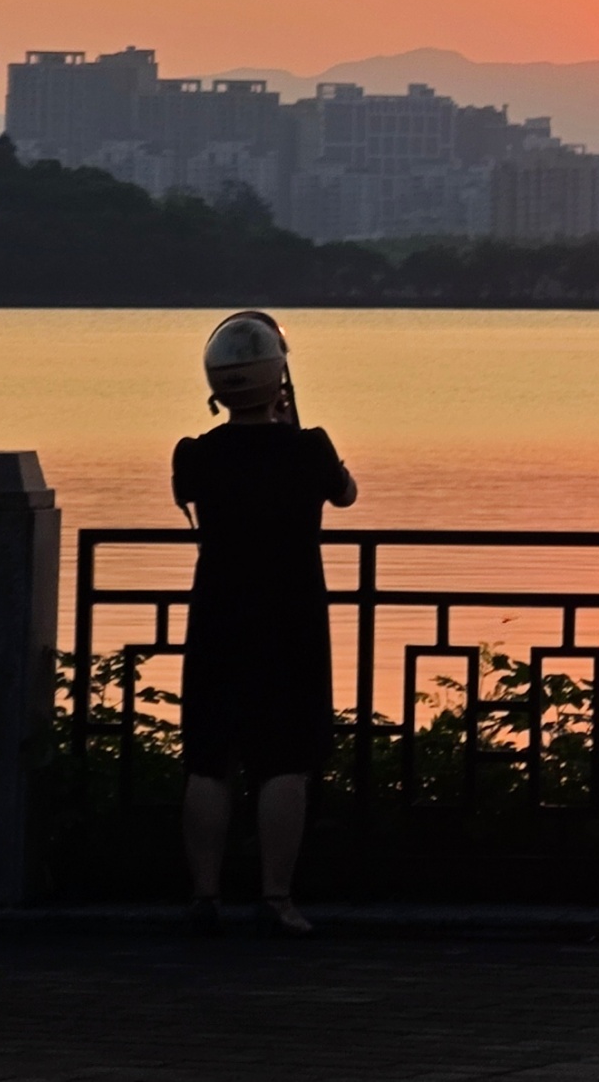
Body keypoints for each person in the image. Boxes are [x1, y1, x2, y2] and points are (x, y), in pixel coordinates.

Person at [173, 308, 357, 934]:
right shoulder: (309, 448)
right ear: (278, 378)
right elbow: (345, 493)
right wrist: (294, 426)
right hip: (291, 615)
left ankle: (204, 896)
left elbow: (192, 490)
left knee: (208, 758)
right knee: (285, 759)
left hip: (218, 612)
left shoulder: (195, 455)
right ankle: (277, 898)